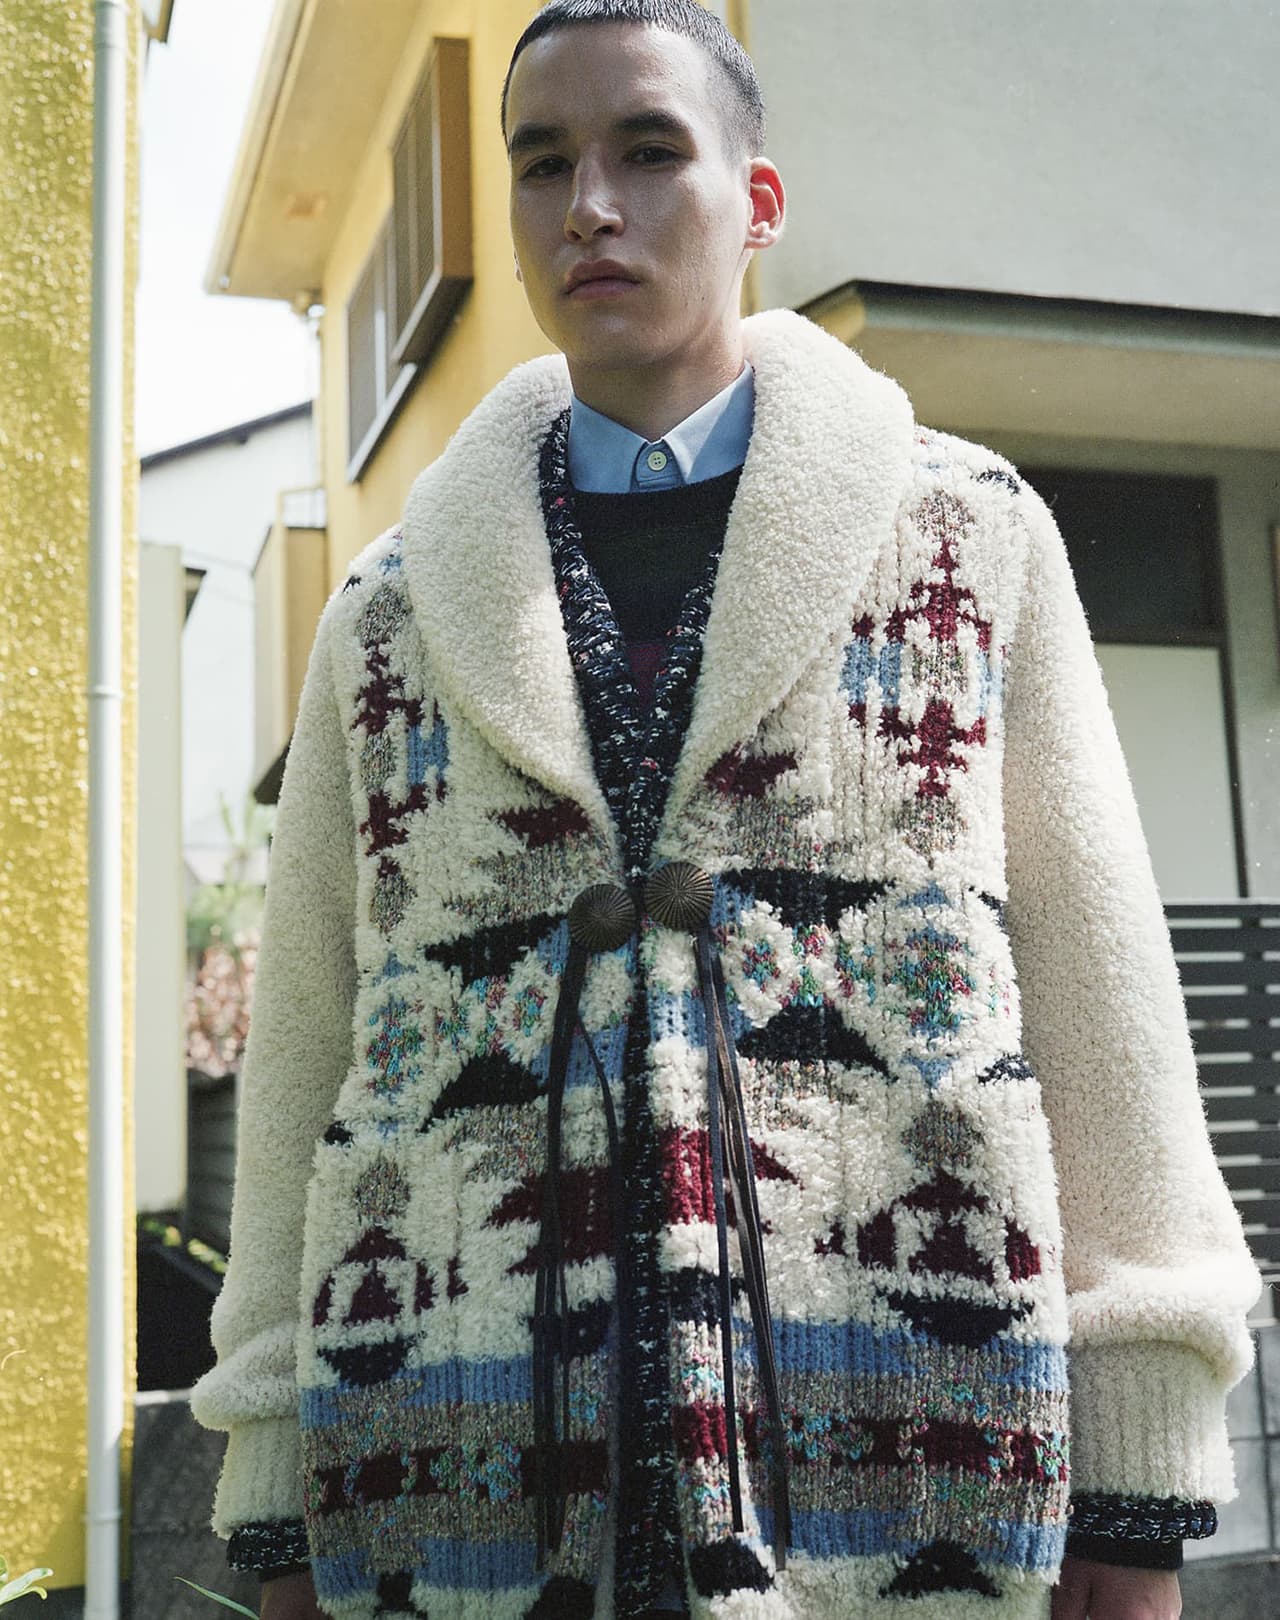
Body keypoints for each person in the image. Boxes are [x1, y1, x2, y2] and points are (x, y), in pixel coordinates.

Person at [189, 4, 1263, 1618]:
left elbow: (1104, 1003)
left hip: (907, 1473)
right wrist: (278, 1499)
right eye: (542, 163)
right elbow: (303, 1068)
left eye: (647, 151)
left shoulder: (967, 541)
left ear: (758, 200)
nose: (588, 206)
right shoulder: (386, 618)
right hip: (452, 1491)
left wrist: (1138, 1485)